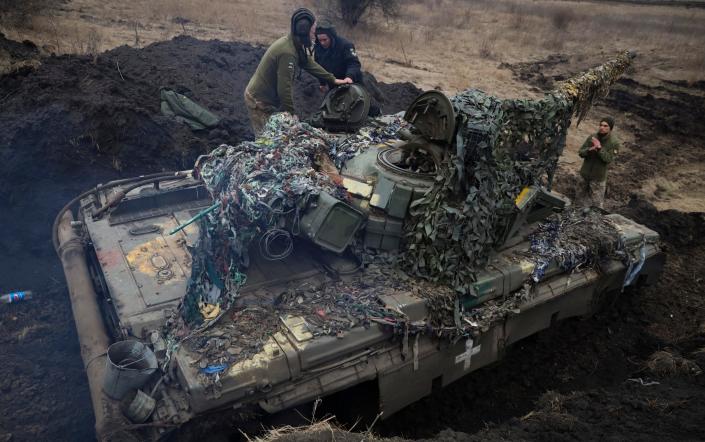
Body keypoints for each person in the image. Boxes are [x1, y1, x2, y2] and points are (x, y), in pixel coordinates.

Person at [244, 8, 351, 136]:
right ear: (305, 30)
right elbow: (284, 88)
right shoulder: (288, 53)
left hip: (268, 99)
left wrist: (331, 79)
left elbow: (308, 63)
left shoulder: (294, 43)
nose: (315, 32)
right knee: (266, 141)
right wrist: (292, 114)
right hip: (259, 101)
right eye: (313, 29)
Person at [575, 117, 620, 209]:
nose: (602, 127)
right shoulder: (592, 137)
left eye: (605, 126)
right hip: (584, 175)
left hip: (598, 179)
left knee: (596, 207)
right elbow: (580, 152)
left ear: (610, 128)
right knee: (577, 202)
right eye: (600, 125)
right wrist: (589, 150)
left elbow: (608, 159)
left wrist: (599, 148)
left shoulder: (614, 143)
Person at [313, 18, 363, 89]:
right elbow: (318, 66)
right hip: (333, 84)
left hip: (351, 83)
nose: (322, 43)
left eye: (325, 40)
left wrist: (349, 76)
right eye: (320, 40)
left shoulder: (345, 45)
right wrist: (322, 82)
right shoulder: (318, 47)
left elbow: (354, 63)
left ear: (331, 36)